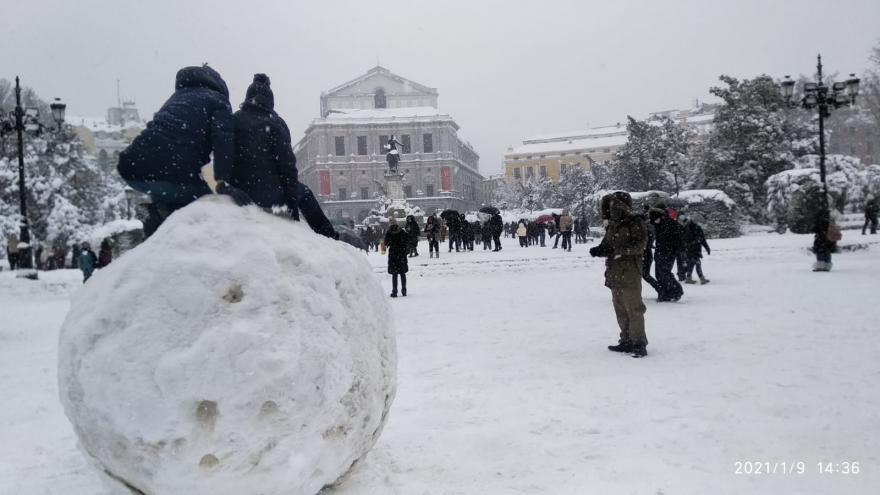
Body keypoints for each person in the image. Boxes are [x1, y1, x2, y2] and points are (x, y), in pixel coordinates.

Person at [117, 65, 252, 237]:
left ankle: (157, 217)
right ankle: (187, 241)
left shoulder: (176, 98)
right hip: (170, 172)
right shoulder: (218, 101)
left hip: (132, 168)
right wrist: (223, 182)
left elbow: (163, 140)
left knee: (170, 196)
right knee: (209, 201)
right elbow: (223, 143)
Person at [231, 73, 346, 244]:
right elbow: (287, 168)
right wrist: (291, 204)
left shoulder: (234, 120)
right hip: (269, 194)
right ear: (270, 101)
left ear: (248, 98)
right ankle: (329, 236)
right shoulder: (276, 123)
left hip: (240, 191)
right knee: (305, 193)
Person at [589, 192, 649, 358]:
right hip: (614, 273)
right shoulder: (613, 225)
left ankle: (639, 343)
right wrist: (600, 250)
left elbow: (640, 246)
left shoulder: (635, 222)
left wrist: (617, 251)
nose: (611, 209)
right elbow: (607, 244)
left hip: (630, 272)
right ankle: (627, 340)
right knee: (621, 309)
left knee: (634, 309)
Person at [650, 205, 684, 302]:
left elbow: (678, 238)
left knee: (665, 273)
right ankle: (666, 293)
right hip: (660, 251)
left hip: (668, 252)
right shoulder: (659, 224)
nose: (654, 220)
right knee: (659, 274)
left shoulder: (670, 224)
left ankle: (676, 291)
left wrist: (676, 250)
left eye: (656, 218)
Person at [681, 216, 711, 284]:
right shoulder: (697, 228)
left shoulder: (687, 226)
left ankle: (688, 278)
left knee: (691, 264)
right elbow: (702, 239)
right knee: (697, 263)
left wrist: (686, 245)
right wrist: (707, 248)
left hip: (689, 249)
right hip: (695, 249)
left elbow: (683, 238)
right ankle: (702, 279)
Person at [384, 221, 409, 297]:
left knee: (394, 275)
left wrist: (391, 241)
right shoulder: (402, 232)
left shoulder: (389, 232)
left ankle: (394, 292)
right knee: (402, 274)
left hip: (393, 255)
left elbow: (386, 243)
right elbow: (407, 240)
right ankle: (404, 291)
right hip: (401, 254)